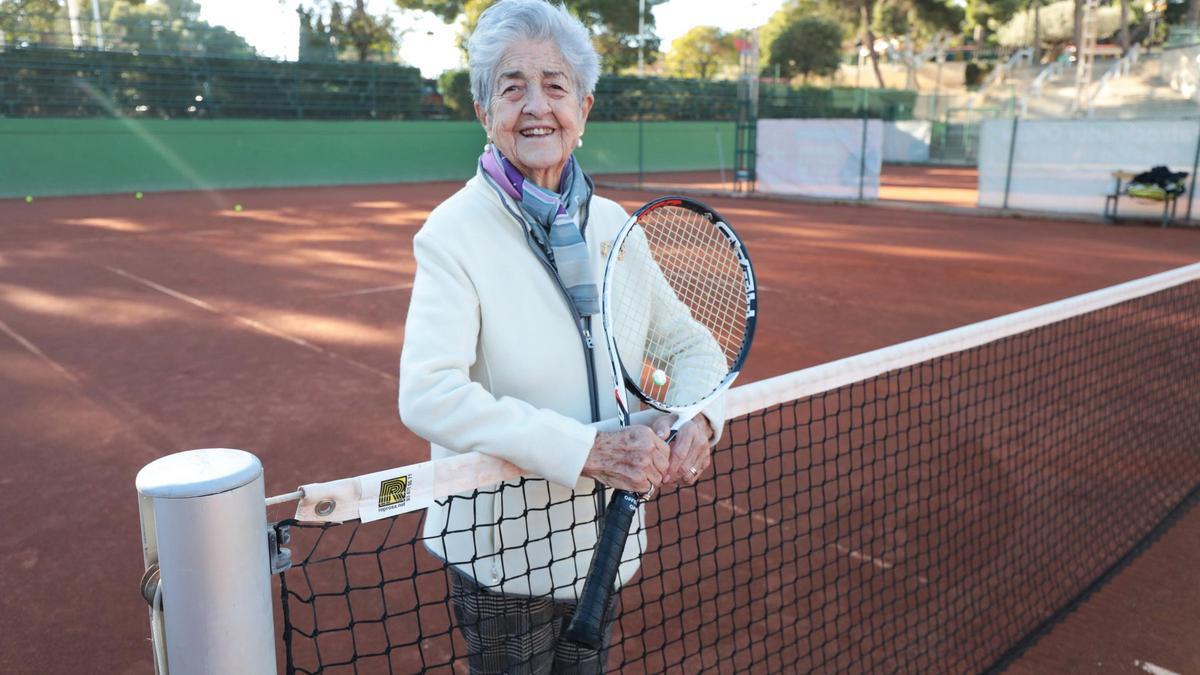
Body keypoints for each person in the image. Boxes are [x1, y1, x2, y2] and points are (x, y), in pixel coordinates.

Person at [397, 1, 724, 672]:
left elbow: (691, 347)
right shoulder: (453, 233)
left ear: (584, 106)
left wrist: (700, 418)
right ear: (486, 112)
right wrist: (586, 450)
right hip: (503, 563)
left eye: (555, 84)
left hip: (602, 547)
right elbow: (428, 396)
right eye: (512, 87)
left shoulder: (612, 224)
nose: (536, 105)